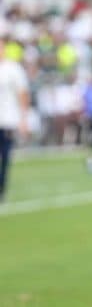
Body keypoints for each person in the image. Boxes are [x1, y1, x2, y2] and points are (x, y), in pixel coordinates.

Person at [0, 39, 30, 202]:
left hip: (7, 120)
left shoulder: (12, 69)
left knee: (5, 156)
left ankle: (2, 188)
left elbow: (23, 93)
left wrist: (23, 118)